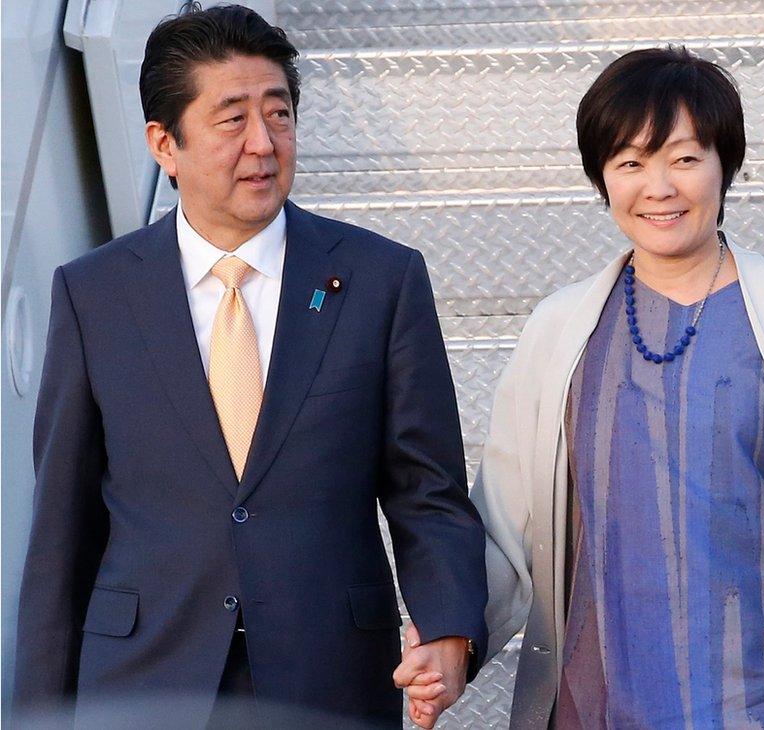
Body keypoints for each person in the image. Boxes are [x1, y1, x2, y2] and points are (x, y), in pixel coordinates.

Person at [423, 47, 764, 728]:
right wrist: (453, 640)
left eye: (685, 158)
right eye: (630, 163)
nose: (659, 187)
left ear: (726, 165)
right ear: (602, 179)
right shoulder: (561, 328)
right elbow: (506, 521)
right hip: (605, 700)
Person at [12, 4, 487, 727]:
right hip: (144, 681)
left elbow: (428, 489)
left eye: (280, 114)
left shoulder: (379, 278)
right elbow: (62, 529)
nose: (264, 144)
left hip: (327, 678)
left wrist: (450, 626)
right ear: (164, 144)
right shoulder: (95, 293)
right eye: (232, 119)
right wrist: (41, 713)